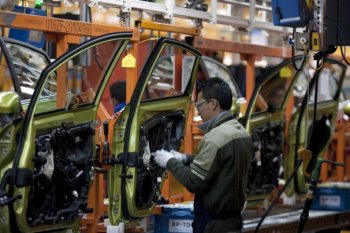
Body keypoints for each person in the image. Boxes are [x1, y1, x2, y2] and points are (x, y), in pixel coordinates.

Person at [154, 77, 253, 233]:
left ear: (213, 104)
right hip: (233, 222)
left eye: (199, 105)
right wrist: (184, 158)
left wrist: (170, 162)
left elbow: (194, 181)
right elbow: (217, 164)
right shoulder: (240, 132)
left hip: (213, 225)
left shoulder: (215, 138)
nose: (198, 110)